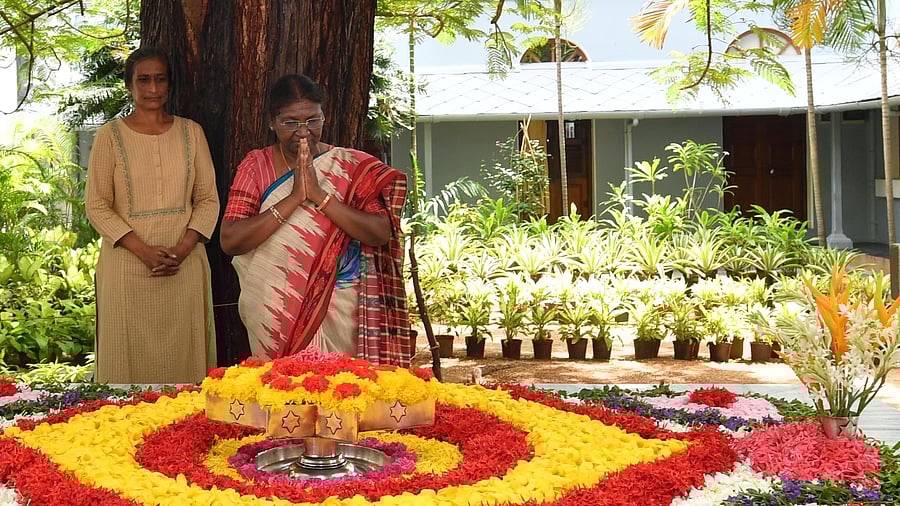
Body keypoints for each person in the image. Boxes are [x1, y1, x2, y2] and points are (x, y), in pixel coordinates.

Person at [220, 73, 412, 366]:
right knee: (284, 397)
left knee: (345, 395)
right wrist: (295, 197)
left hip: (342, 306)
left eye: (313, 120)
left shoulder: (351, 167)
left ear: (324, 117)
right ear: (272, 122)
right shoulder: (256, 166)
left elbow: (380, 232)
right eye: (290, 122)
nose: (303, 132)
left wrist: (320, 196)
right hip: (275, 309)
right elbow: (230, 240)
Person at [85, 46, 220, 384]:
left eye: (160, 80)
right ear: (130, 85)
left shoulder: (192, 133)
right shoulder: (109, 137)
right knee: (124, 369)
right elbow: (97, 206)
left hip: (185, 267)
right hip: (126, 271)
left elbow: (208, 200)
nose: (153, 89)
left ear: (170, 84)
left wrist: (183, 249)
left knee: (188, 370)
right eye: (143, 80)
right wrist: (145, 252)